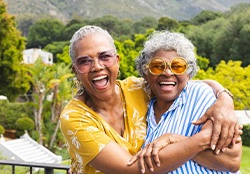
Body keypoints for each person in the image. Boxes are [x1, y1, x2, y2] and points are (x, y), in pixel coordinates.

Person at [59, 25, 241, 174]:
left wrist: (224, 98)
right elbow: (131, 169)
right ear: (75, 69)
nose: (97, 67)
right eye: (85, 61)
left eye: (104, 56)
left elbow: (178, 81)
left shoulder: (136, 89)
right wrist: (200, 139)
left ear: (117, 60)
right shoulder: (74, 117)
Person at [130, 30, 242, 173]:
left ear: (188, 73)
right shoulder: (142, 108)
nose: (168, 73)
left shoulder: (200, 94)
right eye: (157, 66)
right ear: (145, 73)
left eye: (177, 66)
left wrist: (174, 139)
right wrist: (188, 144)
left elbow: (231, 161)